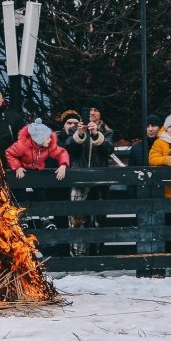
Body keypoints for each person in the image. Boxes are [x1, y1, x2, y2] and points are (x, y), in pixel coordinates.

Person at [64, 105, 115, 255]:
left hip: (99, 182)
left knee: (99, 220)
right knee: (77, 220)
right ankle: (78, 256)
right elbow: (70, 148)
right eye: (89, 110)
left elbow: (109, 149)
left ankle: (97, 255)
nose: (92, 113)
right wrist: (80, 134)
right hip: (79, 181)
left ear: (100, 113)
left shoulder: (107, 130)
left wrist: (96, 134)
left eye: (95, 110)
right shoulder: (76, 129)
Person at [4, 120, 68, 180]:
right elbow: (9, 153)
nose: (50, 140)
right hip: (21, 172)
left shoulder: (49, 146)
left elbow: (61, 153)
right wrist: (17, 167)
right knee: (21, 189)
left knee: (41, 189)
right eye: (47, 138)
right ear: (39, 139)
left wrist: (63, 165)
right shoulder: (22, 145)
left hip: (37, 171)